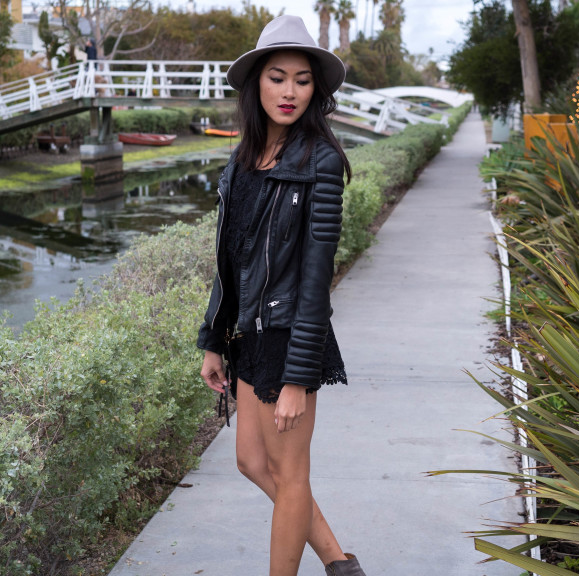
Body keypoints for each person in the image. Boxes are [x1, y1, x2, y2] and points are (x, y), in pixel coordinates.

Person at [197, 15, 366, 576]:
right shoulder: (241, 160)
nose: (289, 91)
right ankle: (341, 564)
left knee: (291, 475)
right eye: (277, 77)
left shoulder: (319, 161)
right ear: (256, 85)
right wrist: (213, 341)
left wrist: (297, 378)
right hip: (249, 335)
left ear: (315, 88)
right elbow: (229, 262)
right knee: (250, 460)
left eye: (301, 79)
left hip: (291, 333)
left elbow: (317, 280)